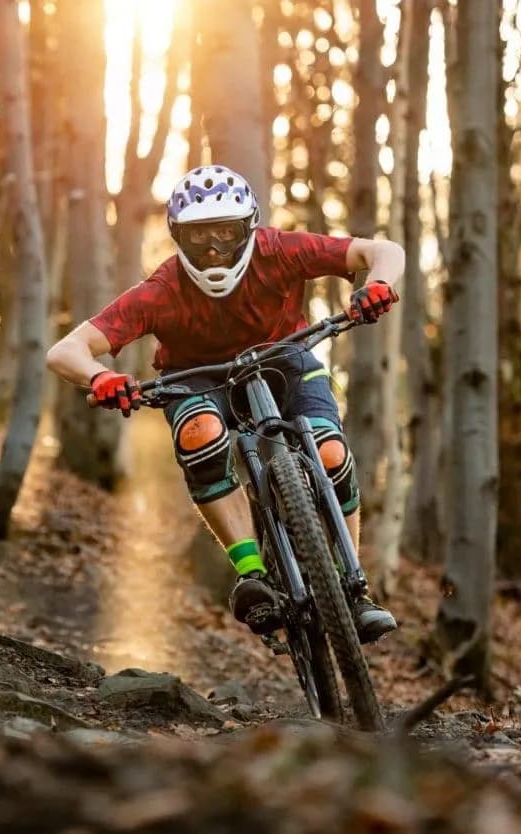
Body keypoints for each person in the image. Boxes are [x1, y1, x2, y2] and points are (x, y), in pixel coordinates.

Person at [45, 164, 400, 644]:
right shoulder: (162, 289)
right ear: (176, 236)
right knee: (200, 436)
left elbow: (383, 250)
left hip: (285, 358)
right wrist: (102, 376)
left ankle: (353, 586)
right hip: (196, 378)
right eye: (198, 237)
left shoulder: (281, 250)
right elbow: (64, 351)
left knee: (330, 453)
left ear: (249, 228)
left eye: (226, 234)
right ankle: (251, 572)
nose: (213, 249)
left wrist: (377, 283)